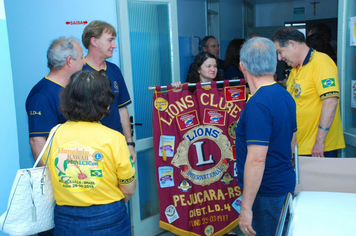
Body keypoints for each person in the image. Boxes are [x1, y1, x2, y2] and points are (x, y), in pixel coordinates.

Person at [45, 70, 136, 236]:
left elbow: (52, 172)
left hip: (65, 217)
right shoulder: (114, 138)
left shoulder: (54, 134)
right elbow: (129, 188)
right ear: (105, 104)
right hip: (109, 216)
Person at [235, 37, 297, 236]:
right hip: (283, 183)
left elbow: (257, 159)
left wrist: (245, 208)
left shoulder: (258, 104)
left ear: (242, 66)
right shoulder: (285, 94)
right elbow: (292, 138)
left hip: (267, 192)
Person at [273, 27, 345, 157]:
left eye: (280, 52)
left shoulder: (321, 63)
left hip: (318, 150)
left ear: (292, 44)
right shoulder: (295, 70)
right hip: (300, 148)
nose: (279, 58)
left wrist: (319, 142)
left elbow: (331, 101)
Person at [82, 20, 137, 162]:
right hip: (89, 148)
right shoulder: (78, 71)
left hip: (116, 143)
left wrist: (129, 143)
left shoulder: (114, 70)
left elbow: (122, 108)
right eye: (110, 40)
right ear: (94, 41)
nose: (114, 45)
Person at [26, 36, 85, 166]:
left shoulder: (71, 88)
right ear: (69, 61)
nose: (84, 62)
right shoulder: (42, 95)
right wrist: (49, 180)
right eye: (81, 57)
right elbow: (37, 141)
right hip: (61, 172)